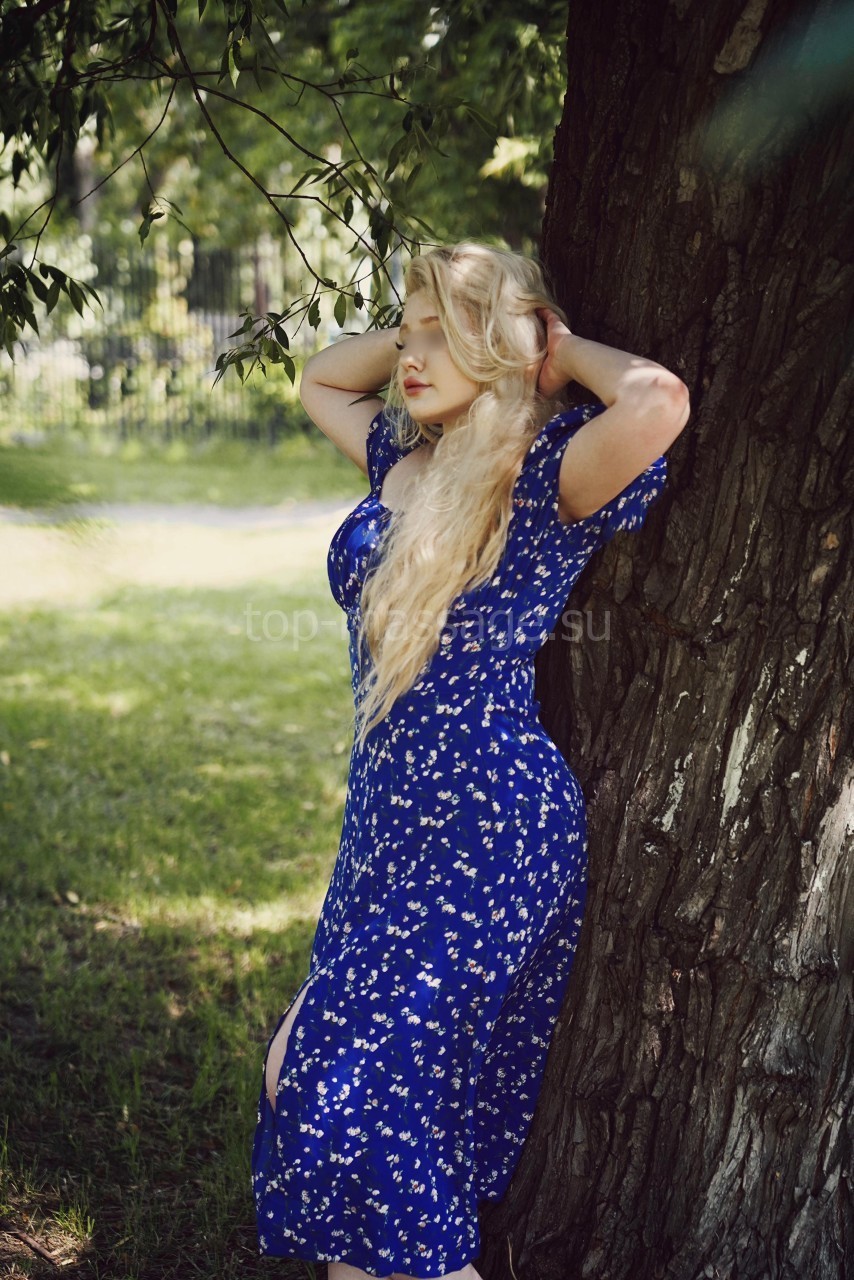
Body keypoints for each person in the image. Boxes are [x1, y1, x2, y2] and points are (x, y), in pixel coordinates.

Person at [251, 241, 690, 1280]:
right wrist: (422, 324)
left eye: (444, 335)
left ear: (504, 341)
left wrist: (552, 348)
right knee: (342, 1086)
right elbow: (322, 378)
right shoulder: (403, 462)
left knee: (351, 1082)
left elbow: (658, 401)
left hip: (488, 822)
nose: (410, 357)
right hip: (387, 823)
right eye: (408, 334)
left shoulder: (537, 473)